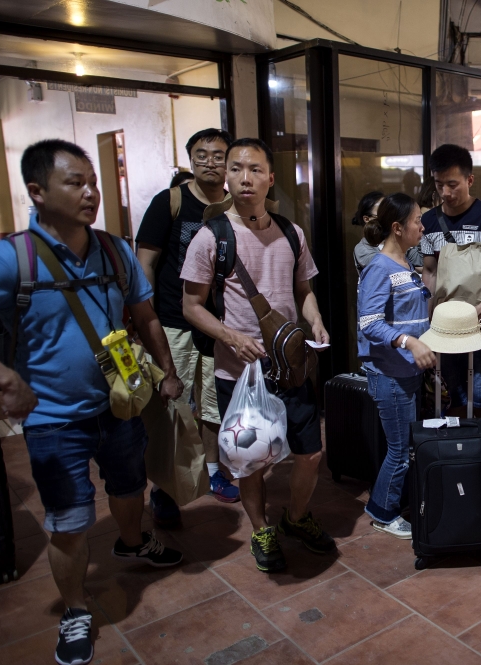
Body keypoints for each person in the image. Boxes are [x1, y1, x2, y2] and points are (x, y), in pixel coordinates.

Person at [0, 139, 185, 665]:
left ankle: (131, 541)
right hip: (54, 420)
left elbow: (143, 316)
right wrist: (6, 379)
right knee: (70, 521)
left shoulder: (115, 251)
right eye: (75, 182)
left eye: (92, 181)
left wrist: (166, 372)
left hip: (121, 405)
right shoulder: (10, 259)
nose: (91, 192)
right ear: (37, 191)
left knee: (128, 487)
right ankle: (76, 609)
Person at [181, 138, 335, 573]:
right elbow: (190, 306)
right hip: (240, 372)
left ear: (270, 177)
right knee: (250, 462)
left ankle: (296, 517)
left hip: (291, 367)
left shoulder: (291, 232)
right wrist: (230, 336)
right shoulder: (211, 237)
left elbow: (303, 289)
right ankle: (260, 529)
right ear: (226, 177)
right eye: (235, 169)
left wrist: (316, 319)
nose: (244, 178)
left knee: (309, 454)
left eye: (253, 169)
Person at [136, 128, 239, 519]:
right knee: (172, 407)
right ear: (190, 159)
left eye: (218, 155)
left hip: (218, 323)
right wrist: (145, 316)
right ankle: (165, 487)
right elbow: (145, 261)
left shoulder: (236, 206)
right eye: (202, 155)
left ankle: (213, 472)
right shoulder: (171, 201)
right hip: (173, 321)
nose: (210, 162)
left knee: (213, 406)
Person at [357, 193, 436, 539]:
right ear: (397, 227)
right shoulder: (379, 267)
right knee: (400, 451)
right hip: (388, 374)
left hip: (407, 372)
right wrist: (409, 342)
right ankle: (382, 511)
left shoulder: (404, 264)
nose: (422, 226)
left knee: (405, 447)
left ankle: (393, 501)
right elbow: (369, 323)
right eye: (417, 220)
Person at [420, 144, 481, 418]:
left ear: (469, 180)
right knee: (454, 395)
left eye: (452, 184)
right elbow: (429, 271)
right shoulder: (428, 221)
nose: (445, 193)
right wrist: (428, 315)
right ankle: (457, 453)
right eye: (439, 185)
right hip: (446, 327)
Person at [353, 191, 423, 275]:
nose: (387, 217)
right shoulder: (362, 248)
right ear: (367, 219)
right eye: (381, 214)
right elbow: (385, 269)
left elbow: (421, 261)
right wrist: (415, 268)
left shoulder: (396, 239)